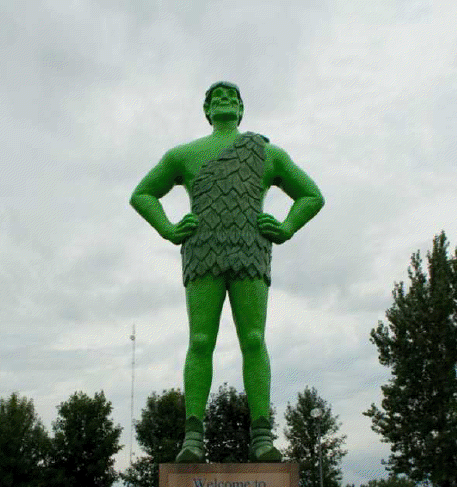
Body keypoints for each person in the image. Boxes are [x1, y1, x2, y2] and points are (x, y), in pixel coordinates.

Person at [130, 82, 324, 463]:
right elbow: (142, 194)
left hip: (250, 251)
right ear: (206, 110)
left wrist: (286, 227)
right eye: (216, 98)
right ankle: (193, 437)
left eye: (231, 97)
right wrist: (169, 228)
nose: (224, 100)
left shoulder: (265, 152)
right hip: (203, 252)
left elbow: (312, 195)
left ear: (241, 109)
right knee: (201, 340)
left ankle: (262, 436)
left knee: (253, 338)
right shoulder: (184, 154)